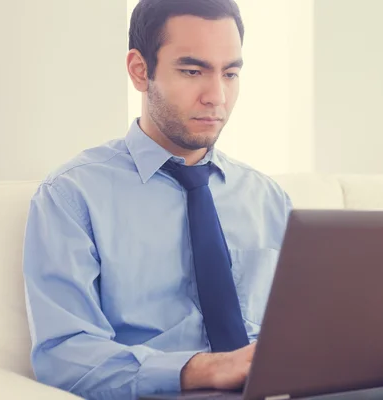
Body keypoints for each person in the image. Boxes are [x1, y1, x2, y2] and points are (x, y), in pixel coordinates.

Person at [22, 0, 292, 399]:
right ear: (139, 70)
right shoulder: (72, 196)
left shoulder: (267, 198)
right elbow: (63, 357)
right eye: (192, 71)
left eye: (230, 73)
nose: (216, 96)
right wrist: (203, 370)